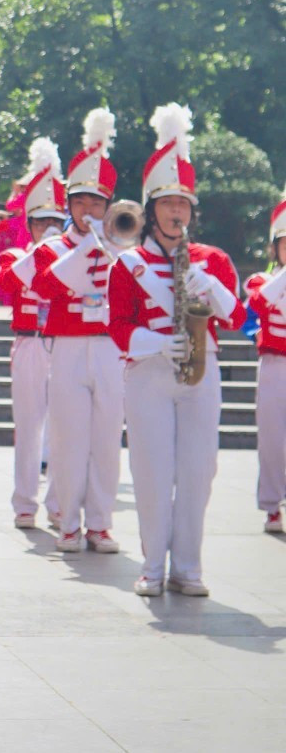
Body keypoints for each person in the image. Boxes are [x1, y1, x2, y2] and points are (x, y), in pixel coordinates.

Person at [108, 104, 244, 597]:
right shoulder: (128, 263)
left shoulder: (213, 259)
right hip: (149, 373)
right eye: (168, 203)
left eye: (184, 204)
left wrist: (211, 285)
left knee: (199, 472)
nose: (177, 212)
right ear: (151, 209)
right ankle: (151, 565)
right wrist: (159, 342)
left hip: (202, 373)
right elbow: (118, 327)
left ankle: (188, 566)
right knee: (151, 470)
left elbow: (237, 318)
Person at [31, 108, 125, 554]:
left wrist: (109, 248)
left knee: (106, 440)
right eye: (81, 202)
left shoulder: (122, 248)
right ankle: (68, 522)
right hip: (67, 348)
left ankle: (100, 524)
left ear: (109, 207)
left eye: (97, 203)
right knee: (68, 439)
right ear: (69, 206)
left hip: (109, 350)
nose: (89, 210)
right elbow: (44, 287)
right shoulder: (52, 247)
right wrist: (85, 247)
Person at [0, 137, 66, 530]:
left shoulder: (74, 258)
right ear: (30, 225)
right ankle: (24, 502)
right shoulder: (16, 255)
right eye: (40, 222)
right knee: (28, 425)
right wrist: (42, 251)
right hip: (28, 343)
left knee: (62, 426)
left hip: (63, 344)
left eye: (55, 222)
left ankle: (58, 502)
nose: (48, 229)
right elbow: (7, 281)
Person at [243, 188, 286, 534]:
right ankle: (271, 505)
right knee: (271, 439)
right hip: (274, 366)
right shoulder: (262, 280)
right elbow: (257, 305)